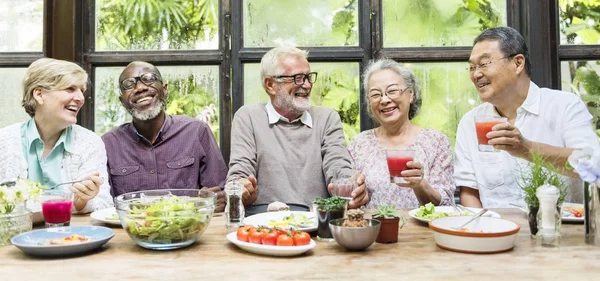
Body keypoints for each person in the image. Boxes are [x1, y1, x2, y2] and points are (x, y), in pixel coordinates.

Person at [455, 26, 600, 208]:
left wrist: (527, 149)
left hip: (558, 230)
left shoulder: (565, 106)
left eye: (484, 64)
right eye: (471, 67)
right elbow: (469, 192)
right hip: (494, 230)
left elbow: (592, 163)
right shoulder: (470, 122)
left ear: (518, 63)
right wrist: (479, 231)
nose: (476, 74)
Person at [227, 46, 369, 208]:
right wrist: (242, 187)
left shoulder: (327, 118)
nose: (307, 85)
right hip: (264, 225)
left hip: (315, 223)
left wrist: (350, 183)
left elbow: (337, 166)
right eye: (298, 78)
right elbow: (240, 172)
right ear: (270, 85)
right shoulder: (248, 117)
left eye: (309, 77)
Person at [101, 61, 228, 212]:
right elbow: (104, 206)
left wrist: (217, 199)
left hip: (187, 230)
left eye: (148, 78)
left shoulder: (197, 132)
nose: (140, 87)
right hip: (130, 232)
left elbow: (219, 195)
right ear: (123, 101)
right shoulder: (108, 144)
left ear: (165, 90)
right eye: (129, 84)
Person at [0, 58, 112, 213]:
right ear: (39, 94)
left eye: (82, 90)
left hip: (70, 235)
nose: (80, 98)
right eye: (70, 89)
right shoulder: (4, 141)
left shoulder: (90, 142)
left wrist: (82, 202)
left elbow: (104, 204)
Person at [348, 59, 455, 209]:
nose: (384, 100)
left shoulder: (436, 142)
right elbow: (349, 200)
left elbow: (446, 204)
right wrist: (353, 193)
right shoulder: (358, 144)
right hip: (375, 230)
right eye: (375, 94)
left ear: (411, 94)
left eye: (392, 91)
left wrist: (420, 185)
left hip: (421, 232)